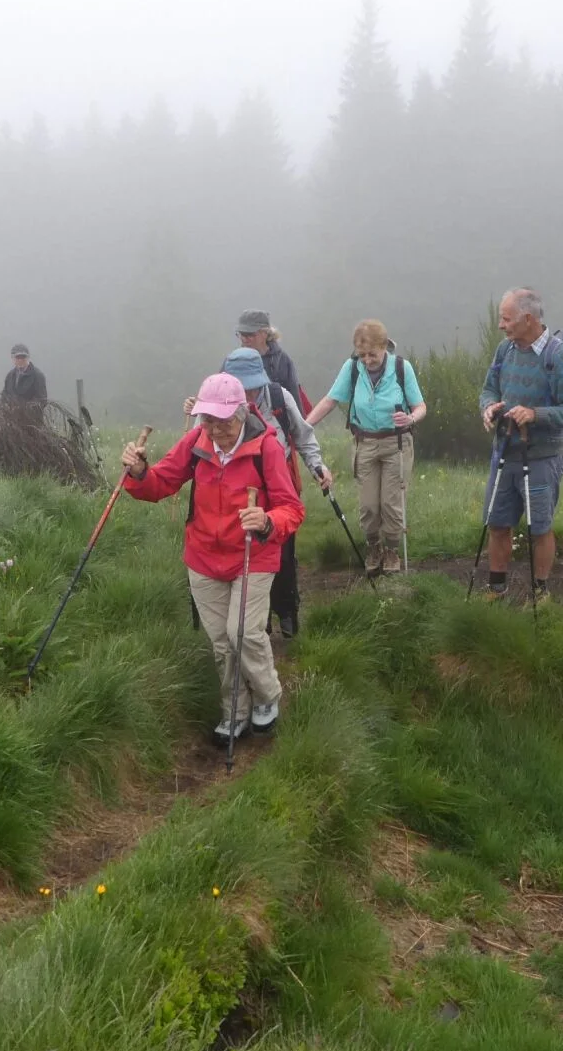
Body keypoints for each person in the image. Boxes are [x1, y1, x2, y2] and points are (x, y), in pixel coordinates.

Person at [122, 373, 304, 747]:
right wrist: (139, 473)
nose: (216, 429)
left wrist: (268, 521)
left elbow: (292, 508)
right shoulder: (196, 442)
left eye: (224, 421)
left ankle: (267, 696)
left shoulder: (266, 447)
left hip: (253, 554)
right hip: (204, 557)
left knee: (245, 633)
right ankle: (234, 712)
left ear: (241, 413)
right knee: (222, 642)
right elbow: (160, 485)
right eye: (208, 419)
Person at [184, 347, 333, 638]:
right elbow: (201, 445)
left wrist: (317, 467)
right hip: (236, 492)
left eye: (253, 386)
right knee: (251, 559)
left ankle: (288, 613)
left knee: (284, 558)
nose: (249, 394)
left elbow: (302, 435)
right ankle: (257, 626)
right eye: (243, 387)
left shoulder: (279, 398)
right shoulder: (219, 406)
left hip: (280, 486)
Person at [479, 288, 563, 603]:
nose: (501, 325)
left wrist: (534, 415)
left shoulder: (560, 356)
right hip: (504, 454)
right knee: (497, 523)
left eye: (506, 318)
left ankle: (540, 593)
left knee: (540, 528)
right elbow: (488, 389)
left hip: (542, 458)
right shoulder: (504, 351)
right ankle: (496, 589)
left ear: (528, 319)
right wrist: (488, 408)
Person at [305, 319, 427, 576]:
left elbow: (420, 406)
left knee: (391, 504)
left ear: (385, 347)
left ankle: (392, 550)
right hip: (365, 443)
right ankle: (373, 546)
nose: (367, 360)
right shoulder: (352, 368)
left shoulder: (401, 368)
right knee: (369, 505)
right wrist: (304, 426)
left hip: (397, 443)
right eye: (362, 355)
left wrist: (410, 419)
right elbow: (330, 400)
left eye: (372, 354)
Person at [235, 310, 310, 414]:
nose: (244, 339)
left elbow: (294, 399)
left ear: (265, 333)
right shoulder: (234, 361)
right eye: (241, 334)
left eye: (249, 334)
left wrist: (299, 427)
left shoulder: (282, 360)